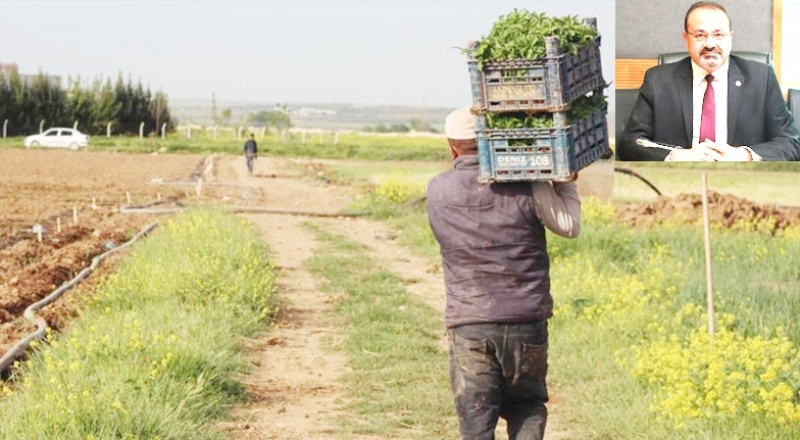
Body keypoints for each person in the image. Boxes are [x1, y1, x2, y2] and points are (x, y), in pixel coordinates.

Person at [426, 107, 581, 440]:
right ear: (490, 141)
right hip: (526, 321)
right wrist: (564, 182)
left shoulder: (437, 191)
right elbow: (570, 226)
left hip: (470, 323)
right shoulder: (527, 184)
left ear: (451, 147)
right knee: (526, 407)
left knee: (476, 422)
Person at [617, 1, 800, 161]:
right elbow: (630, 143)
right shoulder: (658, 80)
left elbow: (791, 142)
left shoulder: (761, 78)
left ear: (730, 37)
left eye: (718, 34)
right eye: (700, 35)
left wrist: (744, 155)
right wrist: (677, 155)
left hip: (743, 177)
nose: (710, 44)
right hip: (678, 177)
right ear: (686, 39)